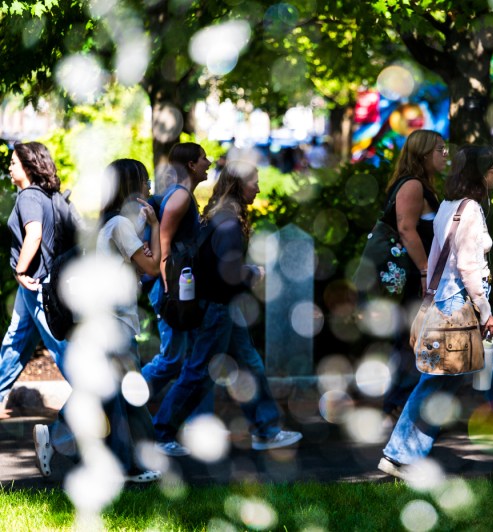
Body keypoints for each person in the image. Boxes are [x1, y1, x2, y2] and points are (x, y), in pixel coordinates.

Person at [378, 145, 493, 479]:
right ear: (482, 174)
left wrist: (429, 302)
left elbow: (436, 260)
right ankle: (400, 456)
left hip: (449, 304)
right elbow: (469, 267)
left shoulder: (448, 207)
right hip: (464, 307)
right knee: (444, 382)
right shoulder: (472, 210)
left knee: (489, 379)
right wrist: (485, 311)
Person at [151, 162, 302, 456]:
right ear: (239, 184)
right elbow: (227, 273)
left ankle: (266, 430)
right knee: (197, 373)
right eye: (253, 182)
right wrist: (253, 274)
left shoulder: (218, 215)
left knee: (250, 365)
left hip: (221, 307)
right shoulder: (230, 222)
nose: (258, 188)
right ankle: (160, 433)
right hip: (217, 310)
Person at [33, 159, 162, 482]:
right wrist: (157, 226)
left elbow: (130, 270)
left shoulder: (109, 225)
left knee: (118, 398)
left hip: (106, 321)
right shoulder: (119, 225)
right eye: (145, 182)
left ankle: (132, 462)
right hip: (114, 323)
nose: (148, 188)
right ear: (132, 187)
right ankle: (66, 437)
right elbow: (152, 267)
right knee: (113, 395)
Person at [140, 143, 213, 421]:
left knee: (192, 357)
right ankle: (124, 401)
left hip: (176, 284)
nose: (209, 162)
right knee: (171, 360)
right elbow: (164, 242)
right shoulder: (181, 196)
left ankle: (195, 423)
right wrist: (170, 292)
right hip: (170, 285)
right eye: (204, 158)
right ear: (192, 165)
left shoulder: (182, 195)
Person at [381, 129, 446, 418]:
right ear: (423, 154)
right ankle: (400, 403)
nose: (445, 155)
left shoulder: (421, 185)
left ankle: (402, 401)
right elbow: (406, 229)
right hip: (412, 277)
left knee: (413, 338)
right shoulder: (413, 186)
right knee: (412, 338)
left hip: (417, 276)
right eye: (439, 149)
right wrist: (424, 271)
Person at [0, 142, 69, 404]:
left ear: (29, 166)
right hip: (39, 283)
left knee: (60, 346)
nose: (9, 165)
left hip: (35, 282)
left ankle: (95, 397)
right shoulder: (48, 195)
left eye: (14, 162)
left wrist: (20, 270)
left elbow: (34, 234)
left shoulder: (28, 196)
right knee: (15, 340)